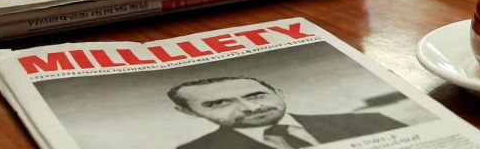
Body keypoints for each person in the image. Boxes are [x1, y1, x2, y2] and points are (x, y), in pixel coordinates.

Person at [168, 76, 403, 149]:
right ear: (188, 112)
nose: (252, 108)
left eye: (256, 95)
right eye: (219, 103)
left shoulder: (372, 121)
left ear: (279, 92)